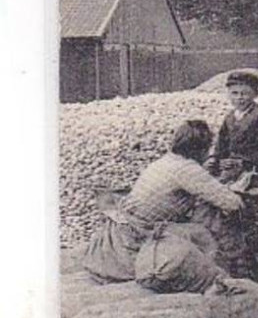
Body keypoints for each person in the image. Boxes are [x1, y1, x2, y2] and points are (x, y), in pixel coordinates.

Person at [82, 120, 244, 282]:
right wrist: (227, 178)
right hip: (142, 233)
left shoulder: (167, 160)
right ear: (201, 149)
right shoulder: (188, 170)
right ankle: (226, 274)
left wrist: (208, 176)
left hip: (126, 224)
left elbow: (190, 181)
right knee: (205, 230)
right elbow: (232, 203)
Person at [210, 71, 258, 178]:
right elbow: (221, 145)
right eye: (234, 93)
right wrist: (215, 159)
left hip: (251, 168)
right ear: (228, 94)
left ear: (255, 94)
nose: (239, 97)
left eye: (245, 93)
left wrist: (243, 162)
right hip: (228, 166)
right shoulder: (230, 117)